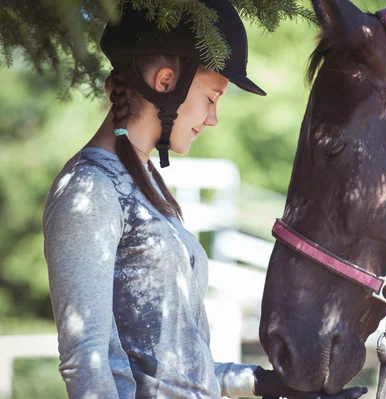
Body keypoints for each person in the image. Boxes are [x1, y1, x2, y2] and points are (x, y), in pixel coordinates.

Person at [42, 0, 368, 398]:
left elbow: (183, 369)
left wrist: (274, 386)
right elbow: (86, 362)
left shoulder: (146, 183)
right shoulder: (90, 191)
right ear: (165, 82)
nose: (213, 118)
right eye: (212, 98)